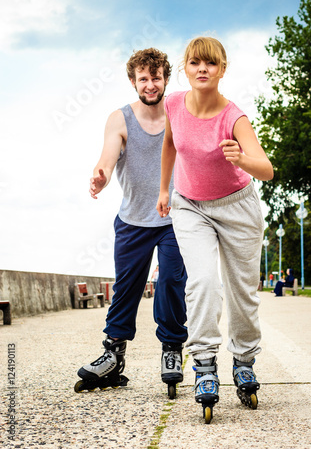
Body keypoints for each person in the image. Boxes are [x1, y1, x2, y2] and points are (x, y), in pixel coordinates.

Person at [156, 36, 274, 421]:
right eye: (194, 63)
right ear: (186, 69)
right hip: (190, 206)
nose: (201, 69)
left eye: (210, 63)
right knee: (203, 281)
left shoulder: (234, 117)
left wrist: (242, 158)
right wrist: (164, 188)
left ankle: (243, 359)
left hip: (237, 207)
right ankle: (204, 362)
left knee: (242, 290)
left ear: (222, 70)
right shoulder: (173, 103)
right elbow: (170, 144)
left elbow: (266, 168)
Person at [75, 48, 187, 396]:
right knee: (126, 288)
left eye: (156, 77)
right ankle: (113, 355)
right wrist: (101, 175)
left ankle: (171, 350)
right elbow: (109, 154)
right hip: (133, 221)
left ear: (166, 78)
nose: (150, 84)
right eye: (143, 78)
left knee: (170, 280)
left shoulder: (180, 113)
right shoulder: (120, 119)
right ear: (133, 81)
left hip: (174, 218)